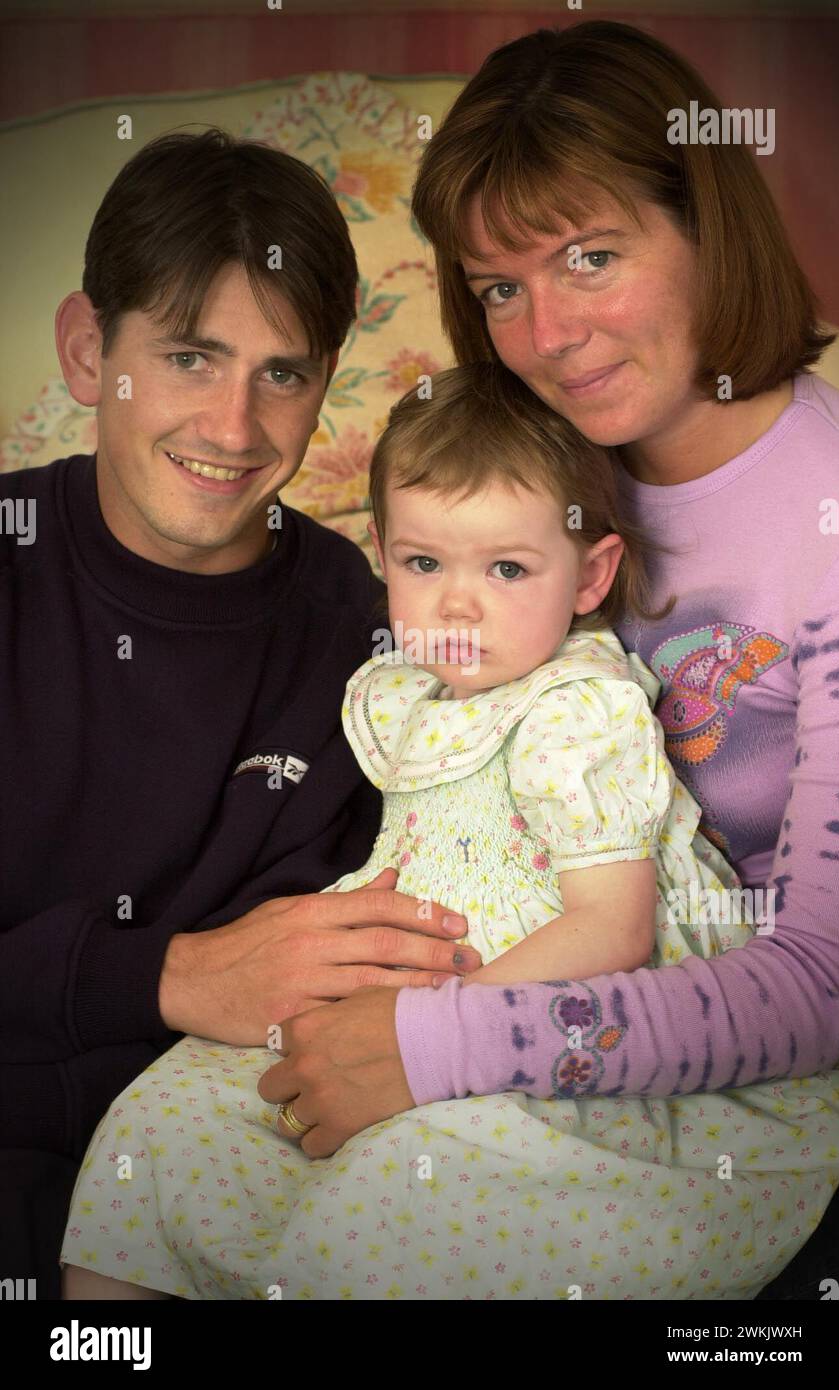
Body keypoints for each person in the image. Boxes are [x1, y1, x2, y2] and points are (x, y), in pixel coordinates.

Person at [239, 20, 839, 1301]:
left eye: (592, 256)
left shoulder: (834, 523)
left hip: (738, 1067)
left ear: (708, 227)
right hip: (516, 990)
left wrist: (441, 1040)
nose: (549, 332)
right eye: (502, 286)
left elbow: (818, 988)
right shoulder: (523, 470)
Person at [60, 361, 839, 1300]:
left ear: (591, 575)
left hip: (542, 1001)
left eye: (508, 568)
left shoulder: (578, 709)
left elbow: (614, 929)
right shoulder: (401, 688)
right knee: (158, 1127)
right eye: (423, 563)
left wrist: (422, 1031)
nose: (457, 604)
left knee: (411, 1190)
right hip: (400, 982)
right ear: (383, 553)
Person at [0, 129, 482, 1301]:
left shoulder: (381, 644)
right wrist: (162, 973)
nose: (233, 428)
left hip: (221, 1189)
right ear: (85, 350)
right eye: (188, 355)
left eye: (284, 372)